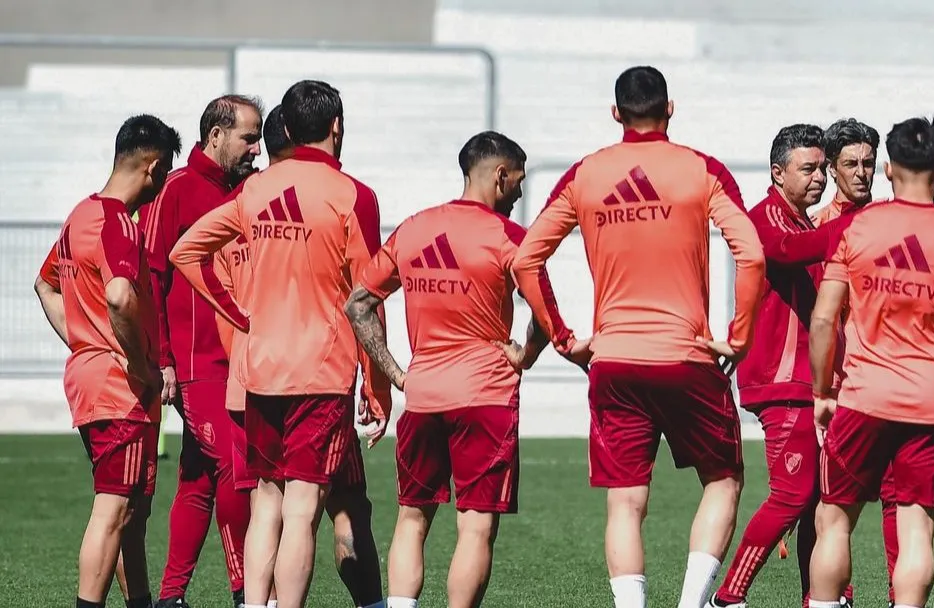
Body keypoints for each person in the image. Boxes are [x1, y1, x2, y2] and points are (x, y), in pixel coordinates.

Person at [511, 65, 766, 608]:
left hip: (614, 361)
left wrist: (564, 339)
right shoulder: (702, 169)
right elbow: (752, 253)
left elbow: (525, 260)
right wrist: (739, 337)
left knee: (625, 503)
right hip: (686, 357)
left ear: (615, 113)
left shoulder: (585, 174)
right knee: (723, 479)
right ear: (669, 108)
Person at [169, 79, 391, 608]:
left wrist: (236, 313)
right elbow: (367, 298)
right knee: (303, 510)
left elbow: (185, 252)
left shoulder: (252, 191)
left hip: (259, 371)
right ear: (336, 126)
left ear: (286, 128)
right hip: (320, 371)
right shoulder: (354, 195)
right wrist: (377, 384)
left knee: (267, 502)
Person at [346, 130, 565, 608]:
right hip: (485, 397)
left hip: (423, 396)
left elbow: (358, 304)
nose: (521, 192)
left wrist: (399, 375)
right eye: (519, 180)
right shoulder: (510, 238)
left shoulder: (412, 229)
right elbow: (547, 316)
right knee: (476, 525)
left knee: (412, 518)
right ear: (501, 176)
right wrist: (524, 356)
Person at [807, 117, 934, 608]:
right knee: (916, 529)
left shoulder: (857, 229)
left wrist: (821, 392)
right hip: (930, 404)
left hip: (862, 398)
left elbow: (823, 320)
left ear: (888, 169)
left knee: (834, 520)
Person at [34, 114, 181, 608]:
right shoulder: (117, 221)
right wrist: (137, 363)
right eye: (165, 173)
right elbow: (119, 296)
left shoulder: (80, 215)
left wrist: (84, 340)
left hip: (92, 379)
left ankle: (139, 601)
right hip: (119, 388)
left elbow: (45, 285)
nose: (163, 184)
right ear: (154, 167)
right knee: (114, 508)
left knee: (130, 512)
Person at [708, 124, 857, 608]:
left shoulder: (806, 223)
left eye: (822, 169)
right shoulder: (764, 218)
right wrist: (860, 222)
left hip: (809, 383)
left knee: (819, 501)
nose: (819, 178)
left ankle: (823, 597)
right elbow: (787, 252)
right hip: (782, 381)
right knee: (792, 495)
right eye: (808, 169)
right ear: (778, 172)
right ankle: (728, 597)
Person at [139, 94, 264, 608]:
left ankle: (170, 597)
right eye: (249, 138)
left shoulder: (250, 191)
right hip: (198, 365)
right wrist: (164, 359)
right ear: (216, 135)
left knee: (197, 479)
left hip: (244, 361)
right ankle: (246, 590)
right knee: (235, 470)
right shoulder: (176, 189)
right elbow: (150, 279)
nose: (257, 149)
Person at [813, 118, 880, 226]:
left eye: (868, 163)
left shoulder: (890, 220)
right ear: (832, 169)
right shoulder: (816, 226)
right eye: (851, 164)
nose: (861, 173)